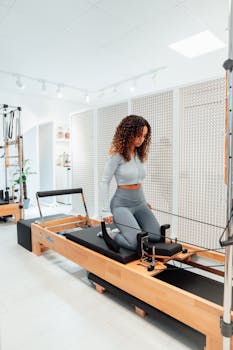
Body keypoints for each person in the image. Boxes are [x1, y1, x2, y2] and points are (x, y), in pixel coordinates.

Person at [101, 114, 161, 251]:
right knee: (134, 243)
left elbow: (138, 181)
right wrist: (105, 211)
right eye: (138, 135)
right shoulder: (117, 155)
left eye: (144, 136)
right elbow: (105, 182)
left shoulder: (140, 155)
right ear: (128, 133)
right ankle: (113, 235)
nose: (141, 139)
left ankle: (126, 230)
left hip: (139, 202)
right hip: (121, 205)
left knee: (156, 236)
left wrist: (143, 201)